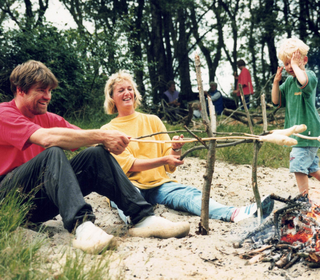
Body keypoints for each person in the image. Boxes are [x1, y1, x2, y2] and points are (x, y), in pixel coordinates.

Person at [0, 60, 190, 254]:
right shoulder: (4, 113)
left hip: (38, 206)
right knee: (53, 152)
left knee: (96, 154)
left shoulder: (48, 118)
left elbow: (86, 139)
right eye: (41, 90)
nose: (47, 97)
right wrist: (103, 135)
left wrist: (113, 143)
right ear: (20, 90)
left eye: (50, 91)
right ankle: (82, 227)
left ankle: (143, 218)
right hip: (7, 202)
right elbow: (47, 139)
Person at [101, 70, 274, 224]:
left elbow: (170, 165)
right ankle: (140, 222)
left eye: (130, 89)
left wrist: (175, 148)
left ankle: (235, 213)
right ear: (112, 97)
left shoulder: (152, 120)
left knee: (189, 194)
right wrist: (164, 158)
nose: (127, 93)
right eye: (121, 90)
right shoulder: (108, 131)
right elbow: (129, 165)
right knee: (127, 200)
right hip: (129, 185)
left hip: (159, 184)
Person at [272, 38, 320, 197]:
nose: (288, 67)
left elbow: (304, 81)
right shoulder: (289, 82)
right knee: (312, 169)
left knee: (298, 164)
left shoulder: (310, 76)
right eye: (286, 64)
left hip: (308, 131)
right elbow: (276, 101)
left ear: (304, 60)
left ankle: (304, 200)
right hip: (296, 133)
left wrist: (295, 66)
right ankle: (305, 200)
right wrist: (276, 83)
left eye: (292, 62)